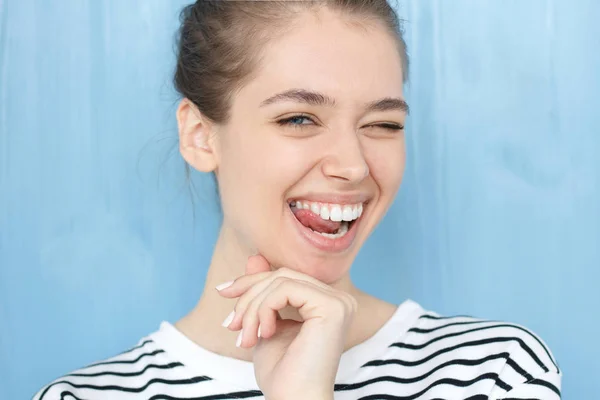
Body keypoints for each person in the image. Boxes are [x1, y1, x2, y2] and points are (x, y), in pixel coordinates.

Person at [33, 1, 562, 399]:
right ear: (199, 135)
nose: (353, 166)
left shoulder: (494, 374)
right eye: (299, 119)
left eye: (382, 123)